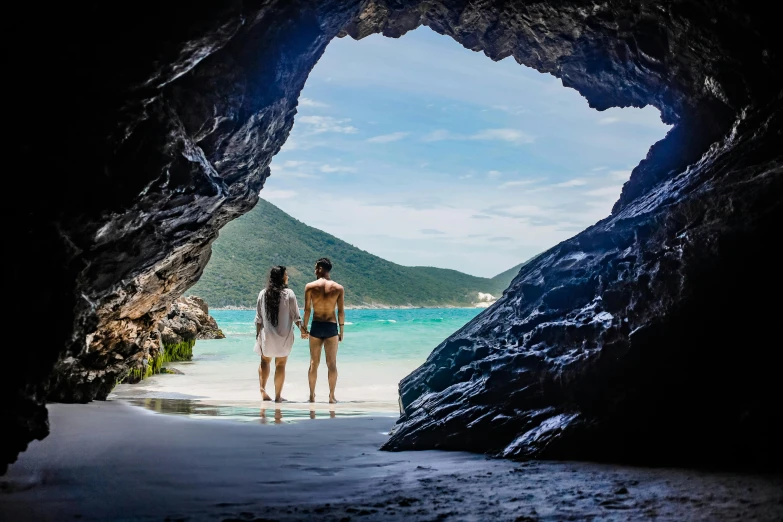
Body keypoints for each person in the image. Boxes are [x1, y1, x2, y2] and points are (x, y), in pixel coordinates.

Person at [254, 266, 306, 402]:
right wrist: (303, 330)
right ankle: (277, 397)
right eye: (286, 275)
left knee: (265, 360)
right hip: (284, 337)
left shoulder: (263, 293)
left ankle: (262, 388)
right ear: (282, 277)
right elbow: (296, 317)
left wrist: (258, 337)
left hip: (267, 336)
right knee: (281, 364)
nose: (287, 277)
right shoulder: (289, 293)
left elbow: (258, 319)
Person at [302, 257, 345, 403]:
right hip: (331, 326)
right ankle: (331, 397)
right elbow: (340, 311)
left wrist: (304, 328)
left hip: (316, 325)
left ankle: (311, 396)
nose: (315, 270)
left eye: (316, 268)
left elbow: (307, 310)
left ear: (321, 269)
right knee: (332, 363)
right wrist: (342, 330)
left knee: (314, 363)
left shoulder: (310, 286)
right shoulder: (338, 288)